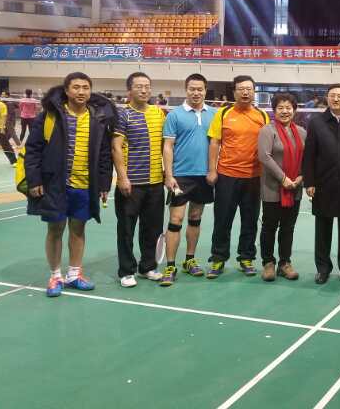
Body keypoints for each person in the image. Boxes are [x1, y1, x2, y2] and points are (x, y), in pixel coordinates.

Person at [25, 72, 116, 297]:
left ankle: (74, 274)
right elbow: (33, 149)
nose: (81, 92)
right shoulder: (50, 116)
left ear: (90, 91)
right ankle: (55, 276)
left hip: (84, 185)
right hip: (55, 184)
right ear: (66, 90)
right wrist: (34, 179)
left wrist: (104, 183)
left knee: (78, 228)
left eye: (85, 87)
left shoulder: (97, 118)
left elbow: (104, 154)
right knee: (55, 229)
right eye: (76, 87)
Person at [205, 75, 269, 279]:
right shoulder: (223, 113)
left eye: (249, 89)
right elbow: (214, 142)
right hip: (227, 175)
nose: (245, 92)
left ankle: (246, 258)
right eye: (241, 89)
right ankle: (218, 258)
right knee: (222, 219)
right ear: (234, 92)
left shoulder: (262, 116)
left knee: (250, 219)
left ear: (254, 92)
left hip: (254, 177)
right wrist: (212, 170)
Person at [159, 74, 217, 286]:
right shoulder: (175, 115)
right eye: (192, 89)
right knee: (175, 220)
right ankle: (170, 265)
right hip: (181, 176)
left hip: (204, 175)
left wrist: (213, 170)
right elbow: (168, 146)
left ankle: (189, 260)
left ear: (205, 90)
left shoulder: (214, 114)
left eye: (200, 89)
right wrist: (169, 175)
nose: (196, 93)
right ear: (186, 90)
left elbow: (217, 144)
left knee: (195, 218)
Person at [302, 84, 340, 284]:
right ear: (327, 98)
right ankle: (323, 269)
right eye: (332, 95)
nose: (336, 99)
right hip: (323, 183)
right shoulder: (316, 122)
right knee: (322, 229)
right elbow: (309, 154)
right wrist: (309, 181)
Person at [112, 72, 166, 287]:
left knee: (152, 228)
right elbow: (116, 147)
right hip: (131, 184)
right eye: (138, 86)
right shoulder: (122, 115)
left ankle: (148, 266)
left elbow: (164, 146)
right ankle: (126, 271)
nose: (144, 90)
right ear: (129, 91)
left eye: (147, 86)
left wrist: (167, 173)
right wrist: (122, 178)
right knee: (126, 229)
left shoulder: (158, 113)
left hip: (155, 182)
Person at [258, 92, 306, 281]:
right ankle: (268, 263)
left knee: (288, 227)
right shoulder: (267, 131)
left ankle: (285, 263)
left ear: (294, 110)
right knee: (269, 226)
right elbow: (265, 157)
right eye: (280, 108)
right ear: (274, 110)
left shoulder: (302, 132)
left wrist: (300, 178)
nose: (285, 111)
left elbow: (307, 158)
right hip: (272, 188)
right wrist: (283, 178)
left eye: (288, 108)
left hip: (295, 188)